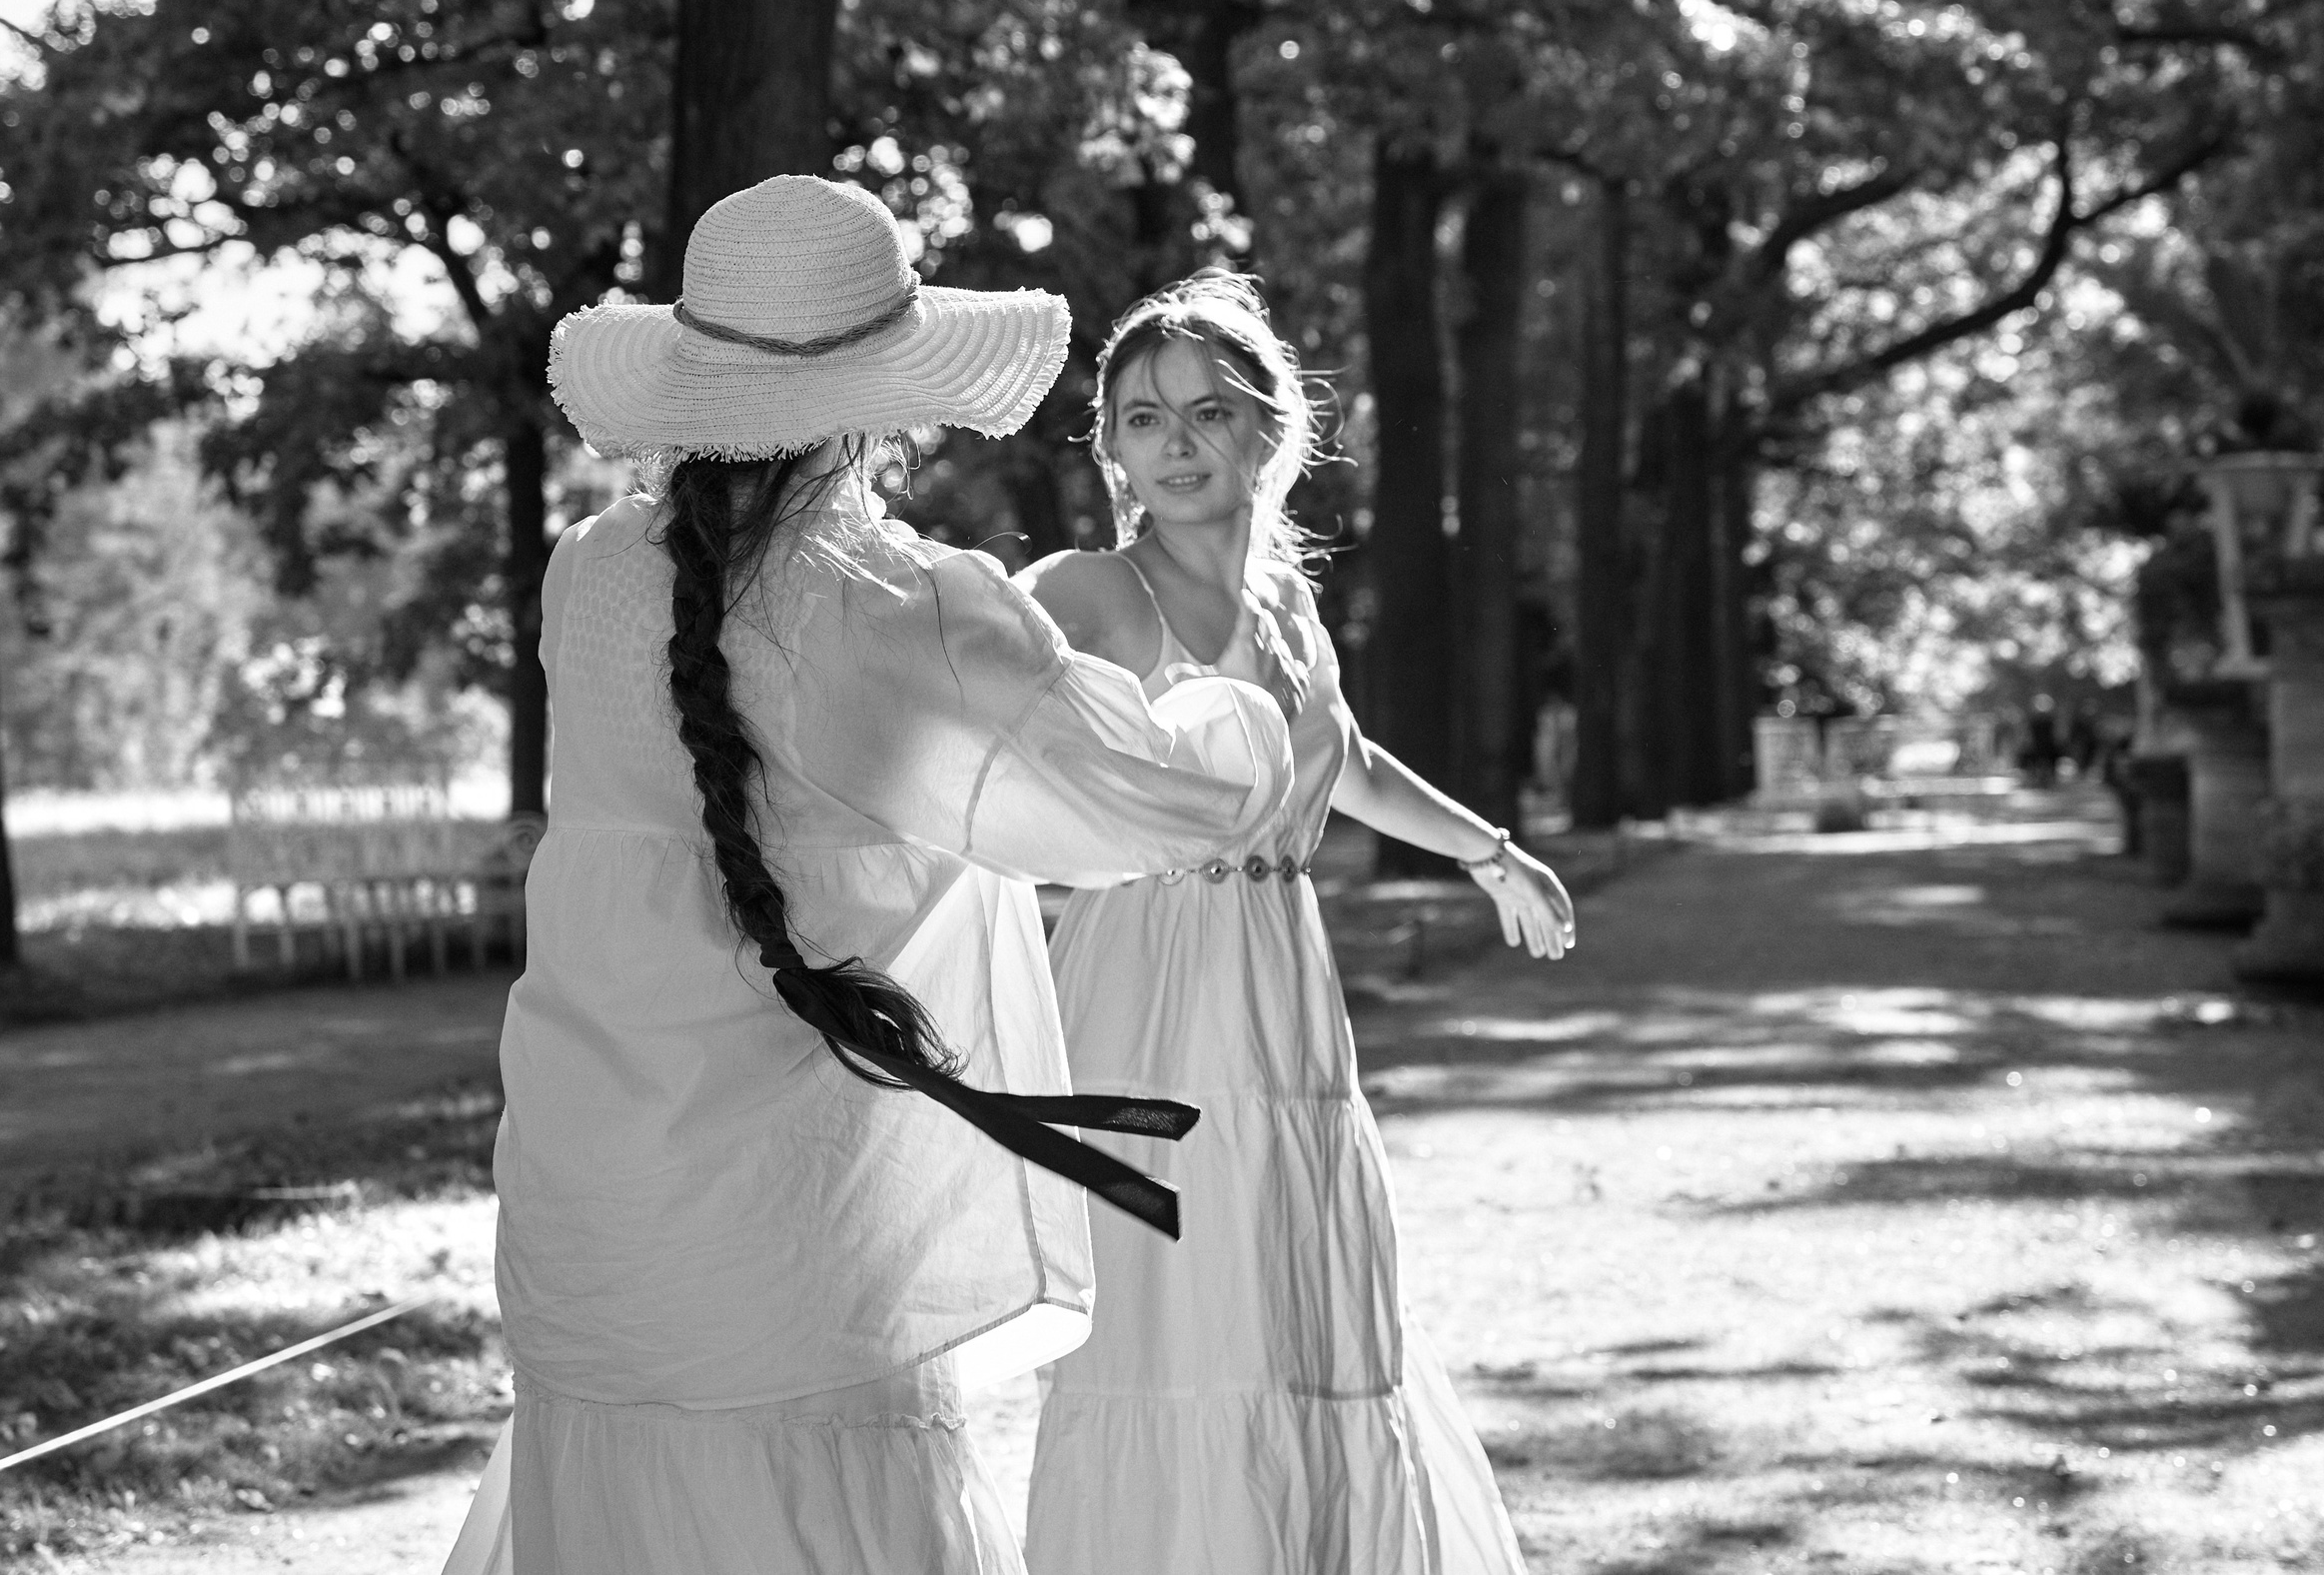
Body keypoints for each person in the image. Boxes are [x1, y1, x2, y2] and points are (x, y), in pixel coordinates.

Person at [441, 179, 1296, 1575]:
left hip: (594, 1230)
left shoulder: (586, 579)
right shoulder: (904, 608)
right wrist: (1242, 713)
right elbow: (1159, 802)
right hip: (802, 1256)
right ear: (882, 401)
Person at [1018, 272, 1575, 1575]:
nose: (1176, 440)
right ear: (1111, 449)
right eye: (1143, 417)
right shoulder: (1090, 592)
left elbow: (1353, 764)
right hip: (1147, 1001)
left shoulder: (1292, 612)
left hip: (1286, 1003)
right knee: (1179, 1328)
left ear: (1271, 428)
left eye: (1208, 410)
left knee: (1299, 1311)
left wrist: (1491, 854)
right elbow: (963, 711)